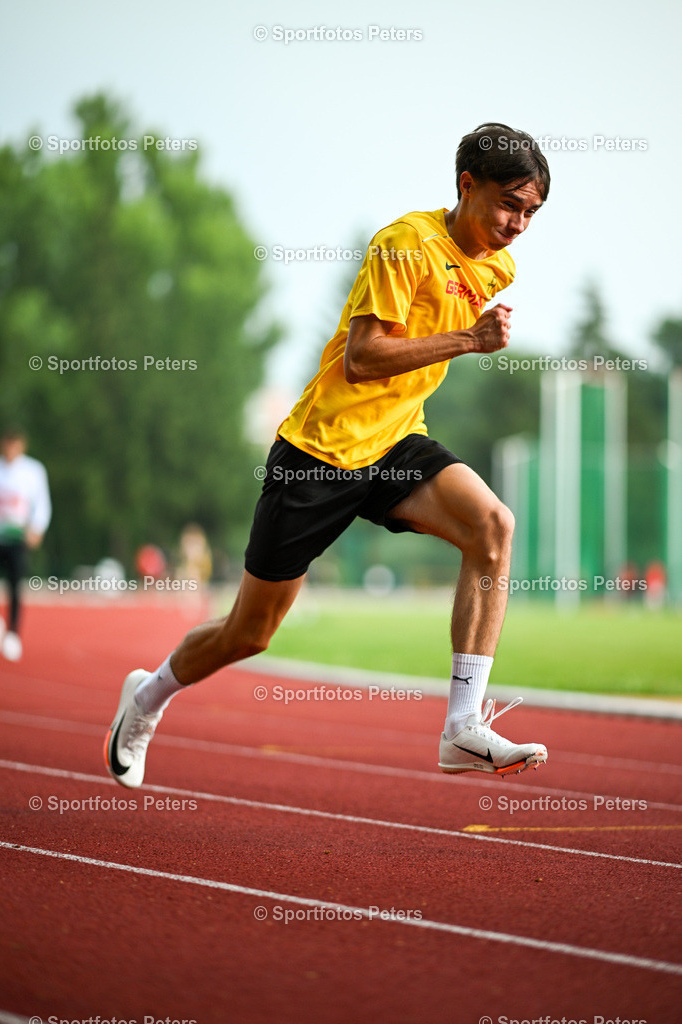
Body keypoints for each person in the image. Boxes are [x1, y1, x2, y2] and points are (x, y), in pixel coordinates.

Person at [105, 123, 550, 789]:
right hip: (320, 454)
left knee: (493, 527)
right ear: (465, 186)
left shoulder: (496, 264)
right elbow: (362, 357)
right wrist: (467, 339)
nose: (517, 225)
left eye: (530, 213)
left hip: (395, 444)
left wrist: (460, 338)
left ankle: (461, 727)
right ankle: (144, 699)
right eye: (508, 205)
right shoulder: (404, 244)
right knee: (248, 634)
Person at [0, 427, 52, 661]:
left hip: (18, 537)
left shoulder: (33, 471)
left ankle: (13, 633)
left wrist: (37, 528)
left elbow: (41, 502)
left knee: (15, 586)